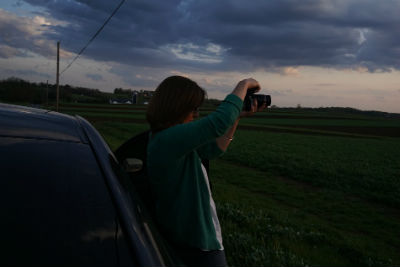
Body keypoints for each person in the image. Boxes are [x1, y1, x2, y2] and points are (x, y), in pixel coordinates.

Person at [146, 76, 265, 267]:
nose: (196, 114)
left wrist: (237, 117)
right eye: (193, 108)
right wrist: (244, 85)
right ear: (176, 107)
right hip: (196, 246)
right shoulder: (167, 140)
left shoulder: (170, 141)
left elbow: (214, 149)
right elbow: (218, 123)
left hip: (192, 241)